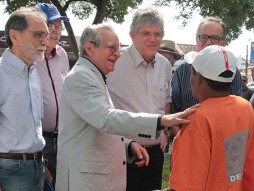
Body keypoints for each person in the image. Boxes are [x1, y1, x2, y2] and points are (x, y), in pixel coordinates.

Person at [55, 23, 197, 191]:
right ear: (89, 48)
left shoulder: (95, 75)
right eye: (111, 48)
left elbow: (96, 126)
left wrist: (127, 144)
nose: (117, 53)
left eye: (118, 48)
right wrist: (161, 121)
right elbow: (106, 118)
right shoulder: (81, 77)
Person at [164, 45, 254, 191]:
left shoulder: (199, 117)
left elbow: (186, 186)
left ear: (198, 79)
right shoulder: (245, 108)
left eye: (191, 72)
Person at [106, 7, 171, 191]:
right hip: (126, 154)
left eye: (157, 34)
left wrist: (164, 130)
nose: (152, 39)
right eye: (146, 33)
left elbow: (166, 98)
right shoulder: (115, 63)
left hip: (156, 154)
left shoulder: (165, 65)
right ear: (132, 35)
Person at [0, 7, 49, 191]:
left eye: (46, 35)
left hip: (37, 166)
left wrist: (43, 166)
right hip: (9, 171)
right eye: (38, 35)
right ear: (14, 36)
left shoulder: (33, 72)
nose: (45, 41)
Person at [171, 16, 242, 113]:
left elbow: (236, 109)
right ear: (196, 39)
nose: (208, 42)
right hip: (187, 128)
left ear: (223, 42)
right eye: (203, 37)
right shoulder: (182, 70)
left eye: (215, 38)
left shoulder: (232, 71)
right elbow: (173, 110)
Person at [35, 3, 70, 187]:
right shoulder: (29, 57)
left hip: (63, 137)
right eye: (51, 26)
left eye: (59, 26)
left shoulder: (62, 54)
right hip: (39, 140)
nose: (56, 31)